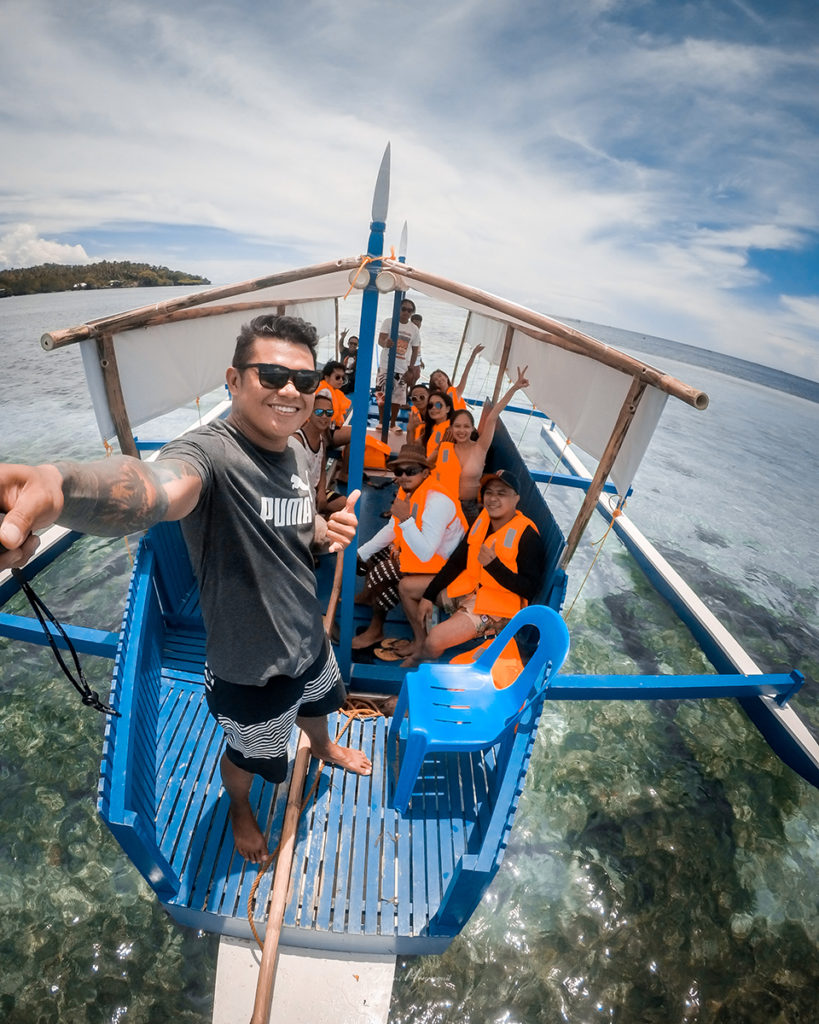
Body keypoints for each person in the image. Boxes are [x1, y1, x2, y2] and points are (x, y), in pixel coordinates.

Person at [0, 313, 371, 864]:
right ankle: (240, 808)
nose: (290, 390)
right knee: (252, 757)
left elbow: (298, 528)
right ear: (234, 380)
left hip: (307, 638)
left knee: (322, 701)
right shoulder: (211, 454)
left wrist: (324, 531)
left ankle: (321, 746)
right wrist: (62, 487)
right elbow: (154, 487)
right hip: (252, 668)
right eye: (270, 375)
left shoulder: (292, 451)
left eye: (304, 380)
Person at [398, 469, 545, 667]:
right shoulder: (483, 519)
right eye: (489, 493)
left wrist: (494, 566)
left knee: (435, 639)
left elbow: (530, 588)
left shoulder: (527, 536)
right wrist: (429, 595)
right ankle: (419, 643)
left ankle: (422, 658)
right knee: (406, 587)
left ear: (516, 498)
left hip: (495, 608)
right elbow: (458, 561)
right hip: (468, 589)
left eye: (501, 493)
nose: (493, 499)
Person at [351, 442, 465, 651]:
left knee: (381, 573)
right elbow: (392, 529)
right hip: (427, 559)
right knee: (374, 556)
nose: (404, 476)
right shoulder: (409, 492)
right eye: (399, 471)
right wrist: (360, 554)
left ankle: (377, 630)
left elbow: (425, 552)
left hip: (446, 569)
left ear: (425, 472)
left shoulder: (437, 501)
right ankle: (369, 598)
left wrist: (405, 519)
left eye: (410, 471)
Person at [432, 366, 529, 524]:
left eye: (466, 426)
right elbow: (431, 469)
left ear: (472, 428)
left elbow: (492, 417)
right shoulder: (446, 448)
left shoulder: (480, 448)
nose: (461, 431)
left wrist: (515, 388)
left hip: (469, 508)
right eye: (457, 426)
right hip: (445, 503)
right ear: (451, 428)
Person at [289, 386, 346, 516]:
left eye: (329, 413)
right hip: (297, 494)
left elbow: (321, 470)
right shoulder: (297, 440)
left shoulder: (321, 441)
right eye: (319, 412)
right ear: (309, 412)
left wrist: (321, 492)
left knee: (344, 504)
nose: (324, 417)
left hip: (314, 491)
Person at [376, 298, 421, 432]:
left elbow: (414, 350)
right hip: (386, 364)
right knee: (382, 394)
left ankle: (393, 423)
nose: (406, 312)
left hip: (402, 367)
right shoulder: (388, 322)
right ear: (398, 309)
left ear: (412, 313)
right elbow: (380, 339)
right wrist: (385, 343)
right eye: (404, 309)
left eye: (409, 310)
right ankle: (380, 421)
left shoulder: (413, 329)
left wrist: (411, 368)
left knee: (398, 397)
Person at [429, 344, 484, 413]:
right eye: (435, 380)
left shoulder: (457, 391)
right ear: (435, 384)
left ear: (446, 377)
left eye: (440, 376)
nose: (439, 379)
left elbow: (466, 373)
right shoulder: (437, 396)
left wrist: (473, 354)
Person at [422, 389, 454, 457]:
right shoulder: (429, 428)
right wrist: (410, 429)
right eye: (430, 405)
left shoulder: (452, 430)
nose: (433, 408)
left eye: (438, 405)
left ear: (447, 409)